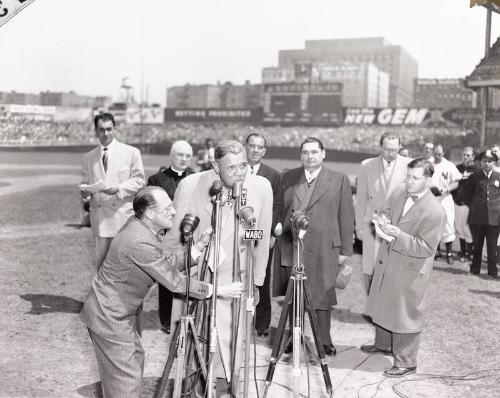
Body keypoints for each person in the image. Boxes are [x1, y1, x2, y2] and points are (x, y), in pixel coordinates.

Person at [80, 186, 242, 398]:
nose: (174, 212)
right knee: (125, 380)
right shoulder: (140, 240)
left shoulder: (141, 227)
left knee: (131, 366)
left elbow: (164, 262)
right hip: (110, 316)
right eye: (167, 209)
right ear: (150, 214)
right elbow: (174, 282)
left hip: (118, 311)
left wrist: (199, 247)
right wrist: (218, 290)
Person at [164, 140, 273, 394]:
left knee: (232, 347)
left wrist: (256, 282)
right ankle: (192, 388)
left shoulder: (261, 187)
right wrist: (180, 278)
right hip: (197, 279)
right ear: (215, 166)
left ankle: (225, 386)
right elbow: (172, 241)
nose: (239, 173)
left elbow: (262, 237)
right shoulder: (191, 185)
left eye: (243, 166)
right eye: (232, 167)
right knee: (191, 348)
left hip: (236, 281)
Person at [362, 158, 446, 378]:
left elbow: (426, 248)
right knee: (382, 301)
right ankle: (382, 344)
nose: (409, 181)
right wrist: (382, 219)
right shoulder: (401, 193)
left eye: (415, 178)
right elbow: (387, 210)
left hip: (410, 267)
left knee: (405, 313)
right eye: (407, 176)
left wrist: (397, 234)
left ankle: (407, 362)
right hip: (390, 259)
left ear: (428, 179)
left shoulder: (434, 211)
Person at [273, 137, 354, 356]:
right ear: (301, 155)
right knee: (294, 295)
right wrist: (278, 226)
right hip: (293, 246)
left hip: (325, 248)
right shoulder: (287, 177)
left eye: (314, 152)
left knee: (323, 296)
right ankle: (294, 336)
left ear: (323, 154)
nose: (310, 156)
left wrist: (345, 251)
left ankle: (324, 340)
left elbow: (346, 217)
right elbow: (279, 208)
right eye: (306, 152)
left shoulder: (339, 180)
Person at [80, 112, 145, 269]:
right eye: (101, 129)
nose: (106, 133)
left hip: (122, 217)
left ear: (115, 129)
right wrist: (86, 193)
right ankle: (102, 294)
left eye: (109, 129)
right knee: (101, 266)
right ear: (96, 131)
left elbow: (139, 181)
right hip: (100, 219)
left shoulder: (131, 152)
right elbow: (84, 184)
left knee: (122, 266)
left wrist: (119, 188)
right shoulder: (89, 157)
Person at [147, 140, 196, 334]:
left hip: (191, 236)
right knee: (166, 278)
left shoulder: (196, 178)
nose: (184, 159)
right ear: (171, 155)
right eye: (180, 155)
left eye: (187, 156)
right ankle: (167, 320)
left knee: (189, 277)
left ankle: (187, 317)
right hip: (166, 237)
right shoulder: (156, 179)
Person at [355, 132, 411, 293]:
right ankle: (372, 307)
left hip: (398, 225)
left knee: (395, 269)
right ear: (380, 147)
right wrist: (359, 227)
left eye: (395, 149)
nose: (391, 153)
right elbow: (361, 198)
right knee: (370, 268)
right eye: (387, 149)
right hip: (372, 224)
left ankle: (388, 308)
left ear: (400, 147)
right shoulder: (366, 165)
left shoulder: (409, 165)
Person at [244, 133, 280, 337]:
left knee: (261, 277)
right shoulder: (236, 171)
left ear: (264, 151)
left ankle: (262, 323)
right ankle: (239, 318)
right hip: (241, 233)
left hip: (262, 235)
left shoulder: (273, 175)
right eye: (252, 146)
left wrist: (271, 232)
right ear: (245, 147)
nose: (256, 150)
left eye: (260, 147)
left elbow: (276, 205)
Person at [464, 150, 500, 278]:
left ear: (494, 162)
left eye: (490, 161)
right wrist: (475, 207)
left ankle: (492, 271)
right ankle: (475, 269)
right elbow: (466, 195)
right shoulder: (474, 177)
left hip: (494, 219)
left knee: (492, 247)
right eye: (484, 161)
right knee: (477, 245)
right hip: (477, 218)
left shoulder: (498, 177)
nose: (487, 164)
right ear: (480, 162)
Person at [430, 144, 461, 264]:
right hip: (431, 198)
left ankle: (449, 253)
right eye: (435, 153)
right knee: (433, 224)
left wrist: (447, 189)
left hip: (445, 197)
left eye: (440, 154)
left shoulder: (449, 165)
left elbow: (457, 182)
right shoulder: (428, 164)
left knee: (448, 224)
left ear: (443, 153)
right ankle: (435, 251)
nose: (437, 156)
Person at [452, 147, 479, 262]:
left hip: (469, 205)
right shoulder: (457, 168)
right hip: (457, 203)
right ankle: (463, 251)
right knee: (459, 228)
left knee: (468, 229)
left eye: (468, 155)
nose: (465, 157)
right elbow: (453, 184)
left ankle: (470, 253)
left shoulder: (477, 170)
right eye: (464, 155)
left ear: (473, 156)